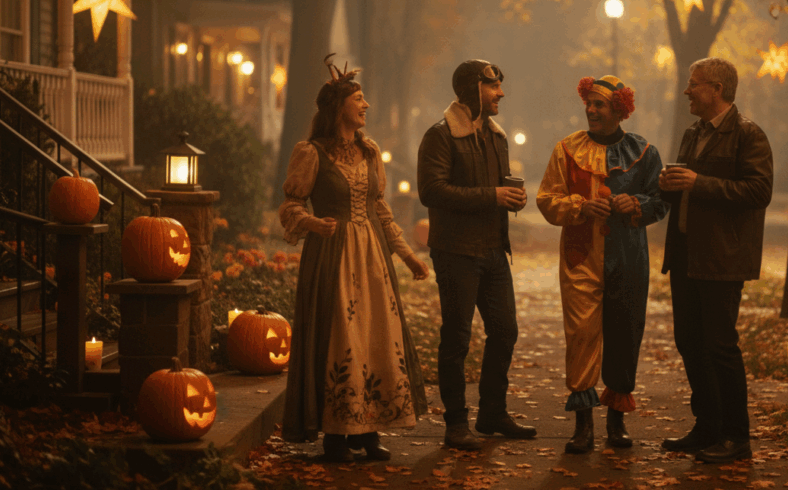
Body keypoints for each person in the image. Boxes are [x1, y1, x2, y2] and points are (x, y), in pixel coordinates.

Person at [279, 55, 430, 462]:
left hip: (372, 258)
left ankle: (368, 429)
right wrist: (311, 224)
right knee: (341, 338)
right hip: (332, 255)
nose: (365, 106)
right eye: (359, 99)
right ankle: (337, 433)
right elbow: (290, 205)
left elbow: (381, 209)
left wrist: (408, 256)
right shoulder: (310, 152)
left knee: (375, 335)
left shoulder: (370, 151)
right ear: (338, 107)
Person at [537, 75, 667, 454]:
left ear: (619, 110)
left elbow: (661, 201)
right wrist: (578, 207)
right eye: (589, 104)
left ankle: (616, 422)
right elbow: (547, 199)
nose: (591, 111)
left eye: (600, 105)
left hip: (629, 257)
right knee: (581, 335)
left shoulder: (645, 153)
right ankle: (583, 426)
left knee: (625, 332)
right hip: (581, 257)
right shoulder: (567, 149)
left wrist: (638, 205)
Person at [658, 57, 773, 463]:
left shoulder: (748, 135)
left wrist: (698, 183)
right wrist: (669, 185)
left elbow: (759, 191)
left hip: (722, 259)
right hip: (688, 255)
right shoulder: (694, 133)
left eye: (694, 84)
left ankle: (736, 437)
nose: (687, 91)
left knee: (721, 346)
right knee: (690, 342)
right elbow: (688, 190)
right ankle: (707, 427)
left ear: (717, 89)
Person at [417, 59, 536, 450]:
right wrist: (493, 196)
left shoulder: (496, 136)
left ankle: (492, 413)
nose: (501, 92)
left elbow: (496, 190)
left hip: (492, 251)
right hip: (455, 252)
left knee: (505, 331)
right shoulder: (440, 136)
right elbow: (432, 191)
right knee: (457, 339)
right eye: (493, 86)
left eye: (500, 86)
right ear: (472, 89)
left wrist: (509, 197)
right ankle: (455, 424)